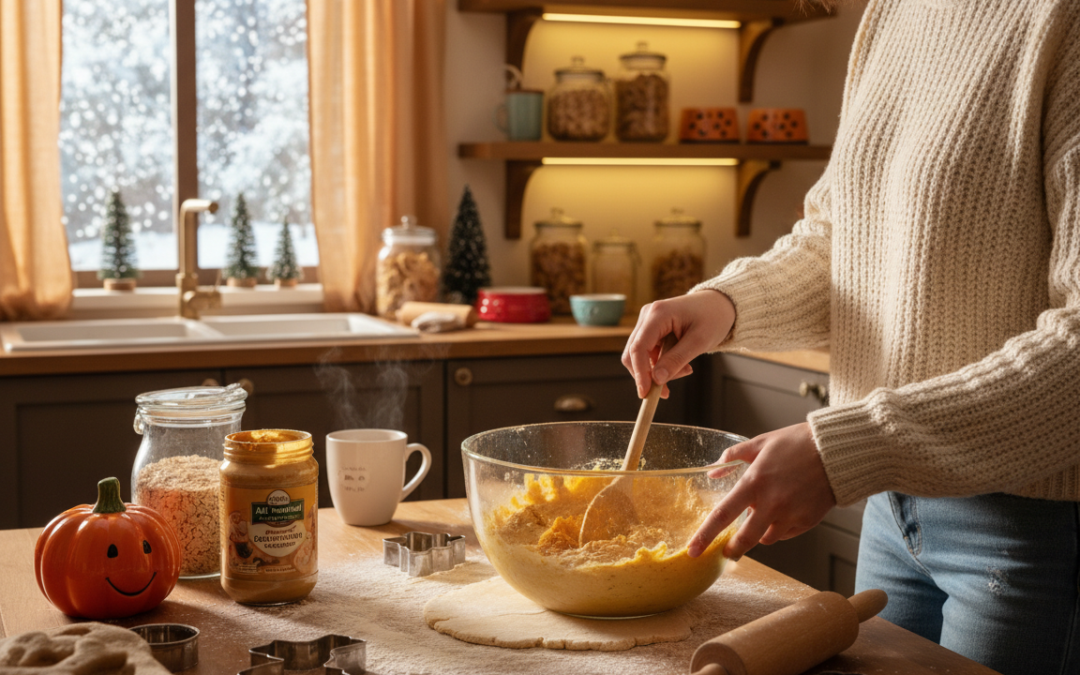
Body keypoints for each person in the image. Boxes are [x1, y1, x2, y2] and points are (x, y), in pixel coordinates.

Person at [622, 2, 1080, 673]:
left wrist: (850, 448)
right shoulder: (894, 12)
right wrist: (722, 304)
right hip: (889, 512)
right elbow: (841, 241)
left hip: (1024, 535)